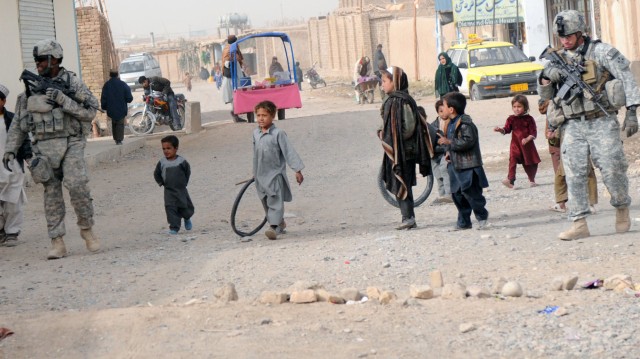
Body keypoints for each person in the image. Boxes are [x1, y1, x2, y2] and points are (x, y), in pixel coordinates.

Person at [538, 10, 639, 240]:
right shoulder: (558, 58)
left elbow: (626, 77)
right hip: (572, 124)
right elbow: (545, 98)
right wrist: (546, 78)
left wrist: (632, 112)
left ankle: (621, 208)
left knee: (613, 167)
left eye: (570, 36)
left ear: (580, 32)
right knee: (574, 173)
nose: (565, 41)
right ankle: (578, 222)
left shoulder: (601, 52)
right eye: (561, 37)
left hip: (601, 120)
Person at [3, 39, 100, 259]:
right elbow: (18, 123)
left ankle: (87, 229)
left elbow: (90, 112)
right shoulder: (30, 89)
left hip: (71, 143)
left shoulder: (72, 84)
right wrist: (10, 149)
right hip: (44, 148)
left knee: (77, 185)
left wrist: (63, 100)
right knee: (51, 195)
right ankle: (57, 241)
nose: (37, 64)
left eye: (41, 60)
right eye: (36, 60)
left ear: (54, 59)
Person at [378, 67, 432, 230]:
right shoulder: (392, 100)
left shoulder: (402, 101)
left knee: (403, 182)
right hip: (396, 149)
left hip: (404, 150)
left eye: (385, 81)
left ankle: (408, 218)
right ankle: (407, 217)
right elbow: (389, 123)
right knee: (399, 181)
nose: (382, 85)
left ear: (396, 82)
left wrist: (394, 138)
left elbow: (408, 128)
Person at [436, 92, 489, 230]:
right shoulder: (450, 124)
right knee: (457, 195)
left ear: (451, 109)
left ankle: (482, 217)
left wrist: (449, 142)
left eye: (445, 106)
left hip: (468, 166)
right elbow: (453, 144)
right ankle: (464, 222)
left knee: (472, 194)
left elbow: (468, 141)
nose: (443, 109)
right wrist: (447, 150)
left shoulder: (465, 123)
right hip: (455, 166)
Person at [252, 100, 304, 240]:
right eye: (258, 115)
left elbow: (289, 152)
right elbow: (256, 154)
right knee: (265, 201)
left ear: (272, 116)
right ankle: (279, 223)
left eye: (265, 115)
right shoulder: (256, 133)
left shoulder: (278, 134)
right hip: (260, 175)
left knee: (275, 200)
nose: (261, 118)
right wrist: (255, 173)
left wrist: (297, 170)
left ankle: (274, 228)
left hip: (275, 175)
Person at [0, 84, 32, 247]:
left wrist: (28, 158)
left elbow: (24, 139)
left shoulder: (12, 119)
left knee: (13, 202)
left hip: (12, 168)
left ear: (3, 101)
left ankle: (12, 232)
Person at [493, 94, 541, 188]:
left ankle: (532, 180)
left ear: (525, 107)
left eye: (519, 106)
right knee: (512, 161)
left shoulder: (529, 119)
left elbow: (533, 132)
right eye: (514, 107)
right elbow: (506, 129)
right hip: (515, 146)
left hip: (528, 146)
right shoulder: (511, 119)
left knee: (531, 163)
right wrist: (500, 130)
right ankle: (510, 180)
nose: (516, 109)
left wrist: (527, 139)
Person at [153, 135, 194, 235]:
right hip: (169, 190)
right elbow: (156, 174)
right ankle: (174, 227)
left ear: (176, 148)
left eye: (169, 148)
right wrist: (161, 183)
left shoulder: (182, 162)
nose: (166, 151)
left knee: (184, 206)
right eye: (164, 149)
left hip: (181, 189)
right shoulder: (162, 162)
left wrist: (184, 183)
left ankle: (187, 218)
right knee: (170, 208)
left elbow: (187, 172)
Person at [428, 100, 453, 204]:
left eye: (444, 110)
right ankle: (442, 195)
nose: (443, 114)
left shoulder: (453, 123)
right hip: (436, 153)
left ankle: (449, 195)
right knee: (437, 174)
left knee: (444, 169)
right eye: (440, 111)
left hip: (447, 152)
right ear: (437, 112)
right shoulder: (433, 126)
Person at [100, 69, 133, 145]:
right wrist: (127, 100)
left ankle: (116, 138)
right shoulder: (123, 84)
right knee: (120, 123)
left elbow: (103, 97)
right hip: (121, 107)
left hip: (111, 108)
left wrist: (104, 106)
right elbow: (129, 97)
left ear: (110, 75)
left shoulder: (107, 85)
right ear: (117, 75)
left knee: (114, 122)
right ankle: (119, 139)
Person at [221, 35, 244, 122]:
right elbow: (228, 60)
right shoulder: (230, 49)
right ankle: (235, 113)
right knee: (235, 94)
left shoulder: (228, 48)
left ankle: (236, 114)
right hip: (231, 76)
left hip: (234, 74)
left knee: (235, 95)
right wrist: (234, 58)